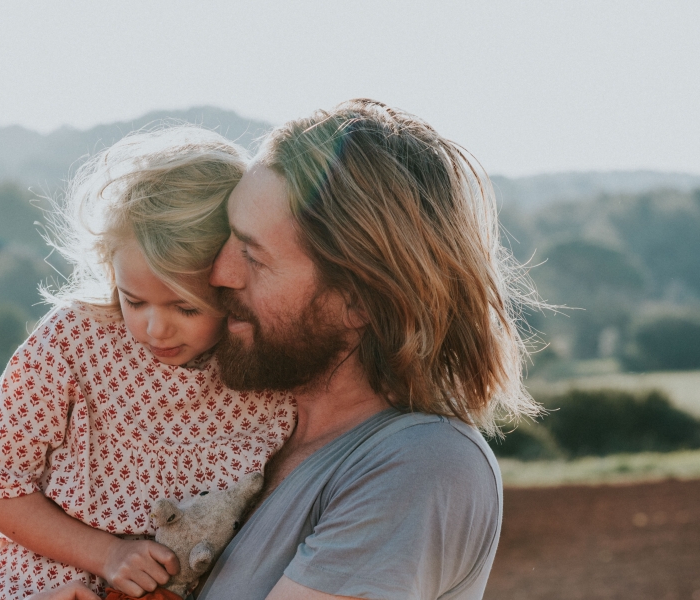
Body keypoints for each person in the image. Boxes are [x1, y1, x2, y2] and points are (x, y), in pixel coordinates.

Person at [196, 99, 540, 600]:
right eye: (227, 238)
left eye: (253, 257)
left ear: (358, 300)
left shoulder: (422, 465)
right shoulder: (238, 432)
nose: (219, 273)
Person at [0, 128, 296, 600]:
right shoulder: (72, 340)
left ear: (233, 283)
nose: (156, 329)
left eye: (186, 308)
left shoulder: (261, 378)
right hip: (47, 583)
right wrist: (106, 555)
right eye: (134, 300)